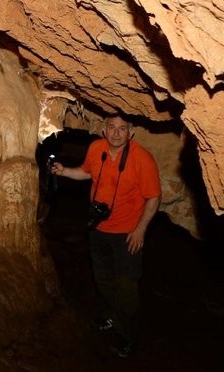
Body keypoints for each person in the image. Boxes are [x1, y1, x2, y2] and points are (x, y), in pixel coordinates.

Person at [51, 112, 161, 358]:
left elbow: (153, 196)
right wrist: (64, 171)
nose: (116, 133)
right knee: (103, 279)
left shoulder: (142, 159)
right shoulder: (96, 148)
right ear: (104, 130)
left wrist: (141, 229)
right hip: (98, 229)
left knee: (126, 286)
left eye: (122, 129)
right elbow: (87, 172)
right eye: (111, 127)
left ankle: (127, 334)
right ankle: (112, 315)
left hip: (127, 233)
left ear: (130, 133)